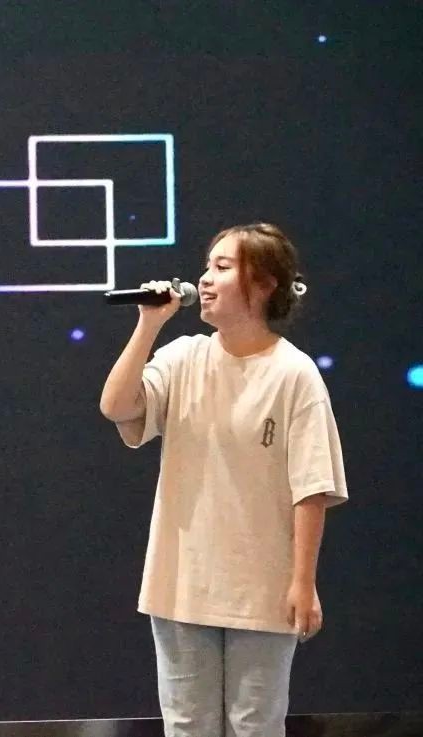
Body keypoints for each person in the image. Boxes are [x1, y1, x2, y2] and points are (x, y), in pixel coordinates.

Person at [99, 223, 347, 737]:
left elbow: (312, 487)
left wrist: (303, 582)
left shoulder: (295, 373)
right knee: (188, 725)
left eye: (222, 267)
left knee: (255, 724)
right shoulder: (184, 356)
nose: (205, 279)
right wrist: (149, 324)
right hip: (181, 581)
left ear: (264, 285)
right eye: (206, 267)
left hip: (262, 585)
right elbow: (117, 406)